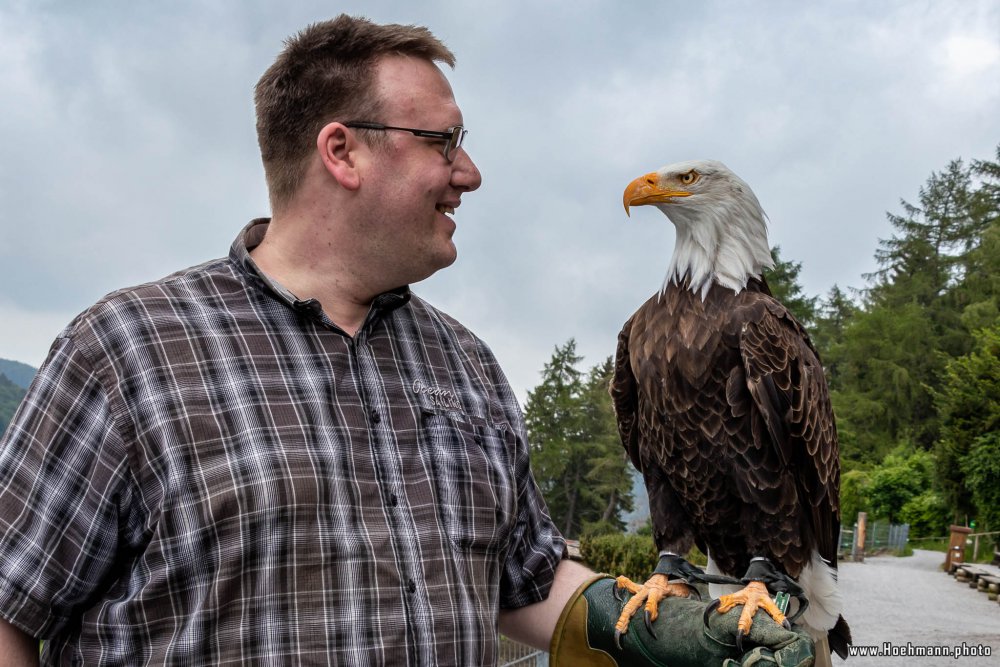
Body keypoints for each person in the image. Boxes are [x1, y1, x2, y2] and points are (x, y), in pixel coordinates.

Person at [0, 15, 813, 666]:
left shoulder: (466, 366)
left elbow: (524, 579)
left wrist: (651, 631)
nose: (471, 172)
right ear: (342, 150)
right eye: (443, 142)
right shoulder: (127, 353)